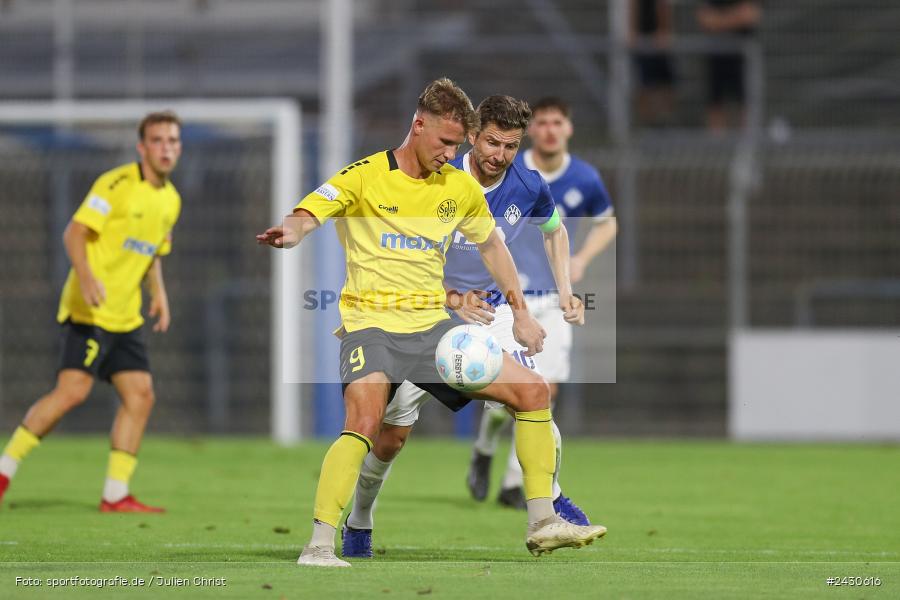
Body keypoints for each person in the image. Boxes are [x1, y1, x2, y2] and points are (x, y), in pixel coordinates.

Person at [257, 79, 607, 567]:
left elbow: (493, 246)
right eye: (445, 142)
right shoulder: (365, 175)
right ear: (418, 125)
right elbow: (311, 210)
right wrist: (291, 232)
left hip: (435, 330)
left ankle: (543, 520)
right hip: (372, 326)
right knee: (373, 428)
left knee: (533, 392)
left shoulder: (459, 187)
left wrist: (522, 313)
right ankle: (321, 544)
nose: (450, 154)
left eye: (457, 145)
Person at [0, 112, 183, 513]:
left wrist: (159, 293)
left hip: (126, 316)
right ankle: (4, 470)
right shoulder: (115, 184)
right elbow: (75, 232)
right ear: (142, 147)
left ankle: (115, 494)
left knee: (140, 395)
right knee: (72, 392)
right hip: (90, 309)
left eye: (172, 140)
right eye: (157, 140)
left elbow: (153, 252)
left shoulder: (171, 200)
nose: (166, 148)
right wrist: (84, 277)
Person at [467, 97, 617, 507]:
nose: (550, 130)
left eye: (558, 122)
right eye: (544, 122)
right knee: (502, 398)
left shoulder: (583, 178)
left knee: (542, 391)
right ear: (533, 130)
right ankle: (484, 447)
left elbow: (606, 224)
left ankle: (515, 484)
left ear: (568, 128)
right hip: (499, 299)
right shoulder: (501, 169)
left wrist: (579, 263)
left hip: (549, 299)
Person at [697, 0, 761, 131]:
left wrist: (719, 21)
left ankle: (746, 140)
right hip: (716, 59)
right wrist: (734, 18)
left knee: (745, 101)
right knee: (715, 101)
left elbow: (750, 15)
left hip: (742, 60)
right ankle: (718, 141)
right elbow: (705, 19)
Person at [630, 0, 676, 127]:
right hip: (643, 42)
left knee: (665, 84)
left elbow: (664, 7)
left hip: (659, 43)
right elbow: (633, 7)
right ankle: (646, 123)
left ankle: (664, 121)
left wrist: (664, 31)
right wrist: (633, 32)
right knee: (644, 84)